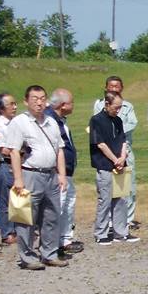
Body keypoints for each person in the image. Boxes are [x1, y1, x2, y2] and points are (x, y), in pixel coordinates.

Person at [4, 85, 68, 270]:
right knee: (27, 217)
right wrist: (18, 178)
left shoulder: (51, 121)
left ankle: (49, 253)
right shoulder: (19, 122)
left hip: (51, 174)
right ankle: (28, 256)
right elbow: (14, 151)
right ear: (26, 101)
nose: (39, 102)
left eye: (42, 98)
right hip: (30, 174)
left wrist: (61, 174)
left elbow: (59, 149)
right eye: (35, 99)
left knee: (52, 215)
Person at [90, 92, 139, 245]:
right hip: (105, 165)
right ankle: (101, 233)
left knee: (121, 200)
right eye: (115, 107)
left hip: (120, 165)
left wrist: (122, 157)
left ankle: (121, 232)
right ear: (107, 104)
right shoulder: (96, 120)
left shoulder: (118, 120)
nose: (118, 111)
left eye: (119, 108)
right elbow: (100, 144)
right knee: (105, 200)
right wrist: (114, 159)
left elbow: (123, 140)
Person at [46, 88, 83, 256]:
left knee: (68, 205)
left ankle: (65, 239)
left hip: (67, 171)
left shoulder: (60, 120)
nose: (73, 105)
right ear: (62, 105)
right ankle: (52, 243)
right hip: (57, 172)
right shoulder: (50, 120)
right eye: (71, 102)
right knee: (58, 206)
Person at [0, 93, 18, 246]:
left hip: (18, 163)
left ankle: (19, 229)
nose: (15, 107)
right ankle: (7, 232)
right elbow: (3, 149)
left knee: (18, 198)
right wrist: (19, 151)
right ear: (1, 108)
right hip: (5, 163)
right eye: (11, 104)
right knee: (6, 200)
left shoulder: (15, 122)